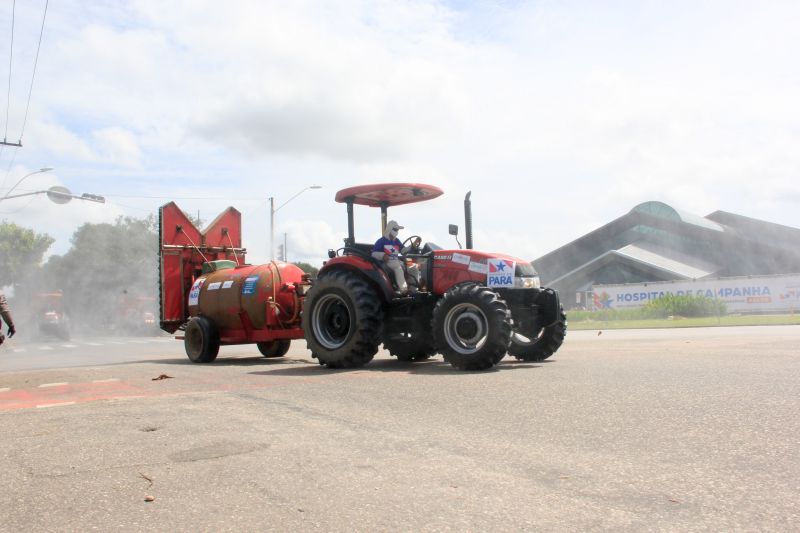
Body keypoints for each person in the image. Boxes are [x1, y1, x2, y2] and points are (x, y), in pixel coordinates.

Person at [372, 220, 420, 295]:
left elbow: (403, 251)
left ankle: (413, 289)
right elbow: (374, 254)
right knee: (398, 267)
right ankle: (403, 290)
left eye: (397, 230)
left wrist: (413, 245)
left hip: (397, 260)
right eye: (395, 229)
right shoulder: (381, 241)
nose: (397, 231)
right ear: (390, 229)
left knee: (413, 266)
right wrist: (382, 255)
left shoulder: (396, 241)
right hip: (387, 262)